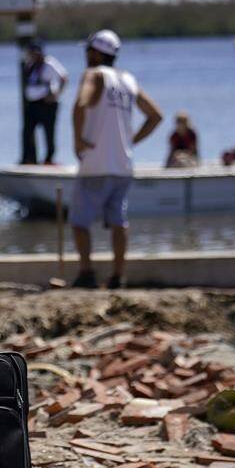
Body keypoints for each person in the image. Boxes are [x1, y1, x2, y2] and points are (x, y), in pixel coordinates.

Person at [70, 29, 162, 290]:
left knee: (79, 222)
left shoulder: (94, 74)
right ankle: (118, 276)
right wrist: (131, 140)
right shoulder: (128, 80)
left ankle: (86, 273)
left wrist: (77, 139)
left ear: (97, 52)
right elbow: (155, 115)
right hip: (123, 163)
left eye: (88, 50)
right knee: (119, 222)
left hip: (95, 163)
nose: (85, 55)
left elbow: (80, 103)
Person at [21, 40, 69, 165]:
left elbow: (64, 78)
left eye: (35, 53)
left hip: (47, 104)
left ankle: (49, 159)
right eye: (31, 53)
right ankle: (29, 159)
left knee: (49, 133)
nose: (33, 55)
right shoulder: (29, 65)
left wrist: (56, 94)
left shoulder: (49, 63)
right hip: (32, 104)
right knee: (27, 132)